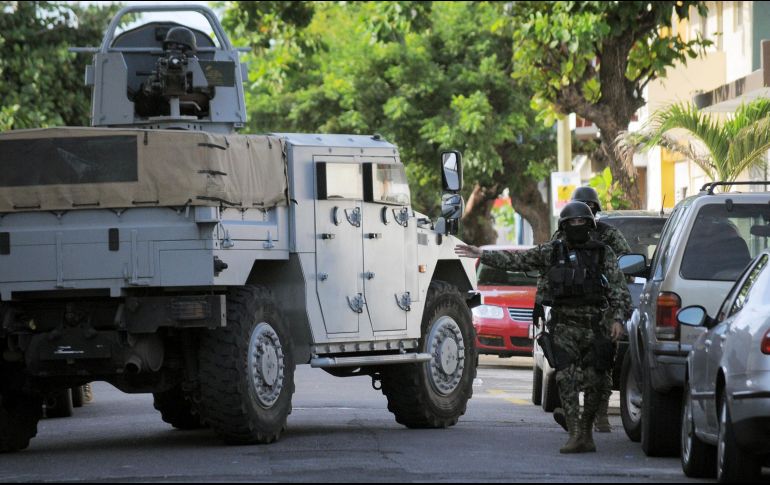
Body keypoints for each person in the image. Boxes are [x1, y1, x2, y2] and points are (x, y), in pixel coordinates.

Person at [455, 201, 631, 453]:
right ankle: (575, 433)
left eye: (582, 222)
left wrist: (617, 319)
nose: (577, 227)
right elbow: (518, 260)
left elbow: (618, 289)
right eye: (572, 223)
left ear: (590, 225)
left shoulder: (604, 253)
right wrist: (481, 253)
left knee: (595, 380)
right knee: (566, 377)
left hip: (596, 325)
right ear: (564, 226)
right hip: (563, 324)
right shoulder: (552, 252)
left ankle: (586, 428)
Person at [550, 187, 632, 433]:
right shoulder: (561, 237)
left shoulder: (608, 237)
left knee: (601, 361)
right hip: (569, 307)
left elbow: (625, 263)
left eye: (588, 210)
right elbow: (548, 263)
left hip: (601, 307)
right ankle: (578, 414)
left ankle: (600, 415)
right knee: (569, 364)